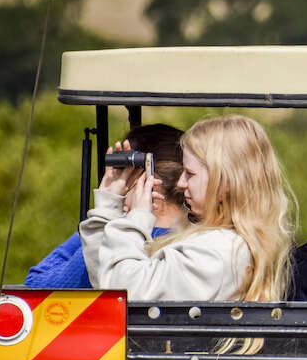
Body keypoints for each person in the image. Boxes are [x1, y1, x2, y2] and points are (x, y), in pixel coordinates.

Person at [80, 115, 297, 302]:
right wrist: (109, 203)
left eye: (190, 174)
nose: (181, 183)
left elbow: (122, 294)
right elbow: (107, 279)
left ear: (225, 182)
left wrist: (136, 217)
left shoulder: (218, 253)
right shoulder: (218, 244)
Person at [24, 123, 188, 288]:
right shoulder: (198, 241)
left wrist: (103, 214)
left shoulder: (116, 241)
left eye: (123, 171)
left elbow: (37, 283)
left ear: (146, 180)